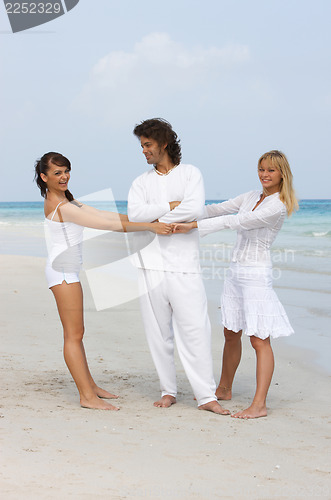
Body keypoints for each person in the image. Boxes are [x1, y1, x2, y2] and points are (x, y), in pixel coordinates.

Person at [35, 152, 172, 410]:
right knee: (73, 335)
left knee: (77, 333)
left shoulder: (66, 200)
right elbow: (105, 225)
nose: (64, 177)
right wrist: (149, 226)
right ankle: (86, 396)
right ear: (44, 177)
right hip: (62, 273)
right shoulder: (61, 206)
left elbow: (106, 215)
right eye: (57, 173)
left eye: (66, 171)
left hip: (67, 271)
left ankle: (91, 386)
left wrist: (147, 218)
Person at [173, 150, 298, 418]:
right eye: (262, 169)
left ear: (282, 173)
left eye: (271, 170)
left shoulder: (277, 205)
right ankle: (224, 388)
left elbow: (236, 221)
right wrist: (183, 210)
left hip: (256, 274)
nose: (265, 174)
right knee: (231, 332)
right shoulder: (252, 196)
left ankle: (259, 405)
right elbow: (219, 209)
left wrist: (193, 225)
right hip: (236, 272)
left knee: (259, 339)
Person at [127, 118, 230, 414]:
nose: (144, 151)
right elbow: (135, 215)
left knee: (195, 329)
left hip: (184, 265)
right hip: (150, 266)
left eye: (148, 145)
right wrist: (168, 208)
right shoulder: (140, 182)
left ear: (164, 144)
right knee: (158, 332)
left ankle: (205, 396)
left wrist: (155, 220)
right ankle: (168, 390)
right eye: (142, 145)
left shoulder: (190, 174)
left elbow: (195, 209)